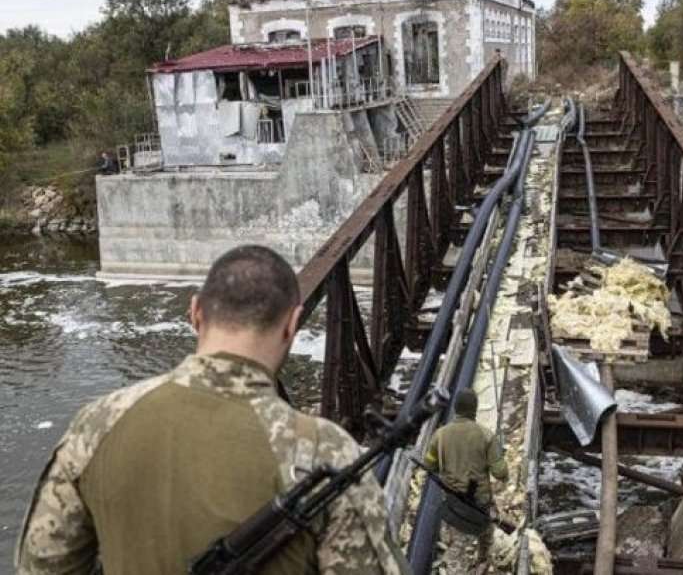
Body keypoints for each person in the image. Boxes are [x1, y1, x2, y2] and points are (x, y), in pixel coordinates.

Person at [16, 245, 408, 575]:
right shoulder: (323, 451)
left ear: (195, 313)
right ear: (292, 325)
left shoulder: (97, 424)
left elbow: (42, 563)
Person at [423, 388, 508, 570]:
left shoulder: (440, 435)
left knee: (456, 548)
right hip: (480, 502)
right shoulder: (486, 435)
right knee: (485, 537)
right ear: (474, 409)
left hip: (454, 502)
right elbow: (500, 472)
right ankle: (482, 562)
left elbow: (429, 465)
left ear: (455, 408)